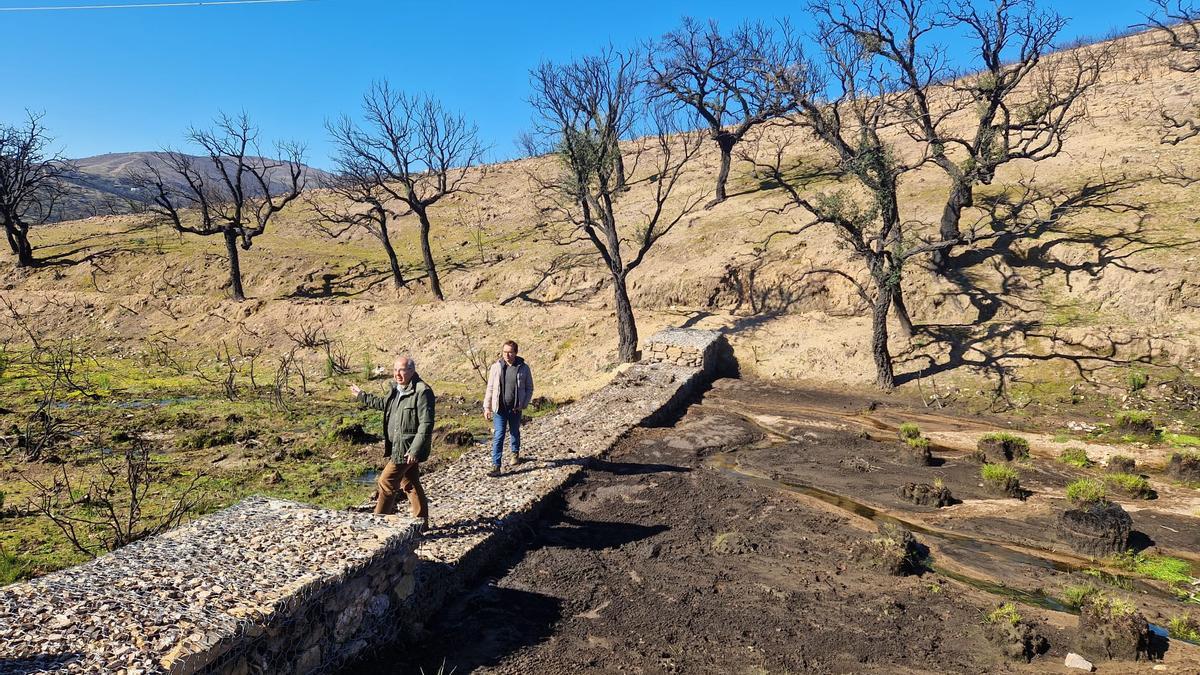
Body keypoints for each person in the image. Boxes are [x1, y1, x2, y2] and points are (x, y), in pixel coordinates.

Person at [350, 355, 434, 528]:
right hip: (397, 445)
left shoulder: (422, 391)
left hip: (407, 449)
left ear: (412, 370)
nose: (397, 374)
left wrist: (414, 450)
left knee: (386, 481)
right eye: (395, 370)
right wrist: (362, 396)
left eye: (401, 370)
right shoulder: (396, 389)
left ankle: (378, 522)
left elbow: (426, 423)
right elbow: (385, 404)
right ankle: (422, 522)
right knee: (409, 482)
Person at [483, 339, 534, 477]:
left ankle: (514, 452)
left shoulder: (523, 368)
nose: (507, 355)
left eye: (510, 352)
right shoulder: (496, 367)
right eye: (505, 352)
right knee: (499, 435)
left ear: (516, 353)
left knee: (514, 431)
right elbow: (491, 388)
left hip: (515, 408)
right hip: (499, 408)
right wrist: (487, 407)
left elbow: (529, 388)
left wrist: (523, 403)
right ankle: (496, 465)